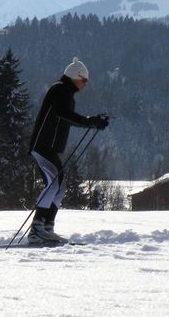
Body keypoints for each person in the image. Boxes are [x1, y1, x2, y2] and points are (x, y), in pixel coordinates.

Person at [28, 57, 109, 243]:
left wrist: (92, 122)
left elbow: (67, 118)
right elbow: (63, 114)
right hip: (42, 145)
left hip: (49, 148)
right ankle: (37, 228)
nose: (86, 84)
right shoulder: (61, 90)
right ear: (76, 77)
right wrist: (90, 121)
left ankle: (46, 227)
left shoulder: (65, 92)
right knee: (54, 184)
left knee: (60, 186)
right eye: (84, 80)